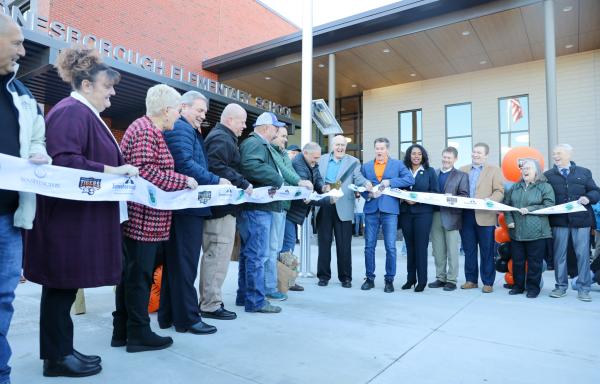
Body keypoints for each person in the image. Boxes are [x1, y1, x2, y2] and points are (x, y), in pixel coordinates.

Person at [24, 47, 137, 377]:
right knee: (60, 287)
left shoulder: (82, 113)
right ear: (87, 85)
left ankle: (61, 351)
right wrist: (112, 171)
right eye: (107, 87)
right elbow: (64, 161)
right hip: (66, 222)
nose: (112, 94)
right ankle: (57, 358)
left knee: (64, 288)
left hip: (72, 220)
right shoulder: (72, 112)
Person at [113, 84, 198, 352]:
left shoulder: (148, 129)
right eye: (177, 109)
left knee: (134, 276)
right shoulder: (146, 130)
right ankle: (138, 334)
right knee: (139, 277)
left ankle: (123, 331)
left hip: (147, 220)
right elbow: (145, 172)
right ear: (165, 110)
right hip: (142, 220)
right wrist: (183, 180)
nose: (178, 114)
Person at [0, 14, 49, 383]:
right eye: (16, 41)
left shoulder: (23, 94)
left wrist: (38, 154)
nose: (22, 49)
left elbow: (36, 140)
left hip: (9, 217)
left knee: (3, 300)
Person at [158, 91, 228, 335]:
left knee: (177, 265)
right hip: (186, 207)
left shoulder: (188, 130)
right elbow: (185, 165)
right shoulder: (181, 128)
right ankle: (188, 319)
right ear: (183, 107)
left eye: (204, 112)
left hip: (187, 206)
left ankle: (169, 316)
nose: (202, 116)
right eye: (199, 110)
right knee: (184, 266)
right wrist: (216, 180)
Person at [200, 103, 252, 320]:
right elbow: (215, 166)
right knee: (217, 255)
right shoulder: (222, 138)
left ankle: (210, 300)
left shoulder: (224, 137)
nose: (244, 126)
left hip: (222, 209)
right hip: (220, 211)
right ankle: (210, 304)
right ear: (230, 120)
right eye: (242, 122)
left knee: (218, 256)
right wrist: (242, 182)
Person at [237, 112, 285, 313]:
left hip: (254, 208)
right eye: (275, 128)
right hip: (257, 209)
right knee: (257, 255)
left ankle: (245, 296)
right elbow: (250, 165)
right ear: (266, 128)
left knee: (249, 255)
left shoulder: (255, 143)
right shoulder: (256, 143)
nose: (277, 131)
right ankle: (256, 301)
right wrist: (277, 178)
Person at [544, 144, 600, 302]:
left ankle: (584, 289)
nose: (555, 156)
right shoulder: (547, 175)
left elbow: (596, 191)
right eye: (554, 153)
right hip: (559, 222)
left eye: (559, 153)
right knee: (559, 255)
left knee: (582, 255)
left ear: (569, 154)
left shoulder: (584, 172)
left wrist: (588, 198)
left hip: (581, 221)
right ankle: (560, 287)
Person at [317, 135, 372, 288]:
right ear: (332, 146)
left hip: (344, 206)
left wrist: (366, 183)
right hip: (325, 204)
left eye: (343, 145)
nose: (340, 148)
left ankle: (345, 278)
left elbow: (358, 178)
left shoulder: (353, 162)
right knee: (324, 243)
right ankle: (323, 276)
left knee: (344, 245)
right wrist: (322, 187)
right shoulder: (321, 160)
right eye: (337, 145)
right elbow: (316, 178)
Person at [360, 138, 414, 293]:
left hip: (390, 210)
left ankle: (389, 280)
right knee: (369, 246)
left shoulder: (397, 164)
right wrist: (369, 195)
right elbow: (361, 186)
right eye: (377, 148)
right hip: (371, 209)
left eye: (382, 148)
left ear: (387, 150)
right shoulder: (367, 166)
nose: (379, 151)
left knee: (390, 247)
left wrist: (390, 182)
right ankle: (369, 278)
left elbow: (409, 179)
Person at [267, 126, 313, 299]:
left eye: (286, 136)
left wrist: (302, 189)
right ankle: (273, 286)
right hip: (275, 206)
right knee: (273, 248)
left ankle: (281, 283)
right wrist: (300, 182)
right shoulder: (273, 152)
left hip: (284, 206)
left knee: (278, 247)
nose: (285, 140)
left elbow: (290, 174)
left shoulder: (284, 153)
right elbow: (286, 174)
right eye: (283, 136)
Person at [503, 159, 555, 298]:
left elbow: (549, 206)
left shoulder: (545, 187)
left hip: (537, 232)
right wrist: (509, 221)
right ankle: (518, 286)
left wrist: (530, 209)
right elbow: (506, 206)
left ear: (536, 171)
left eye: (529, 168)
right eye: (523, 168)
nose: (525, 170)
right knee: (518, 261)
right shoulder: (514, 187)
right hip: (517, 232)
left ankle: (533, 288)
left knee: (534, 263)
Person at [283, 142, 330, 291]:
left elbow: (317, 179)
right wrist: (328, 199)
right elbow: (306, 191)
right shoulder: (298, 164)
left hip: (297, 212)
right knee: (287, 246)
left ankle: (287, 280)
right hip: (291, 211)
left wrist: (323, 187)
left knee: (288, 245)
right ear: (305, 153)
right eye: (315, 158)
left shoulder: (311, 163)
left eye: (318, 158)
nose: (316, 161)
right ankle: (284, 281)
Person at [459, 143, 504, 293]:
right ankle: (471, 280)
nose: (475, 155)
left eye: (479, 153)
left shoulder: (494, 170)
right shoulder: (462, 170)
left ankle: (488, 282)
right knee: (469, 250)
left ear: (486, 155)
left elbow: (499, 191)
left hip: (485, 216)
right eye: (474, 152)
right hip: (466, 216)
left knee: (487, 250)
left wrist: (491, 200)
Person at [428, 147, 469, 291]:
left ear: (455, 159)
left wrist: (451, 199)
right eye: (444, 157)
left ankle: (451, 280)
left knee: (452, 250)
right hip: (435, 215)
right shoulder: (433, 173)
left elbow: (465, 196)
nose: (446, 160)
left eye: (449, 158)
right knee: (438, 250)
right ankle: (440, 277)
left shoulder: (461, 176)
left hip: (452, 216)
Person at [399, 144, 438, 292]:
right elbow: (396, 189)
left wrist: (418, 200)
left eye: (419, 154)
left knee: (421, 247)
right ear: (409, 155)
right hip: (406, 213)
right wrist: (403, 198)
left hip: (423, 214)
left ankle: (422, 280)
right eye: (413, 153)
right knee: (410, 247)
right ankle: (410, 279)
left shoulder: (429, 171)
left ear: (423, 156)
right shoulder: (403, 171)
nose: (416, 156)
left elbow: (435, 193)